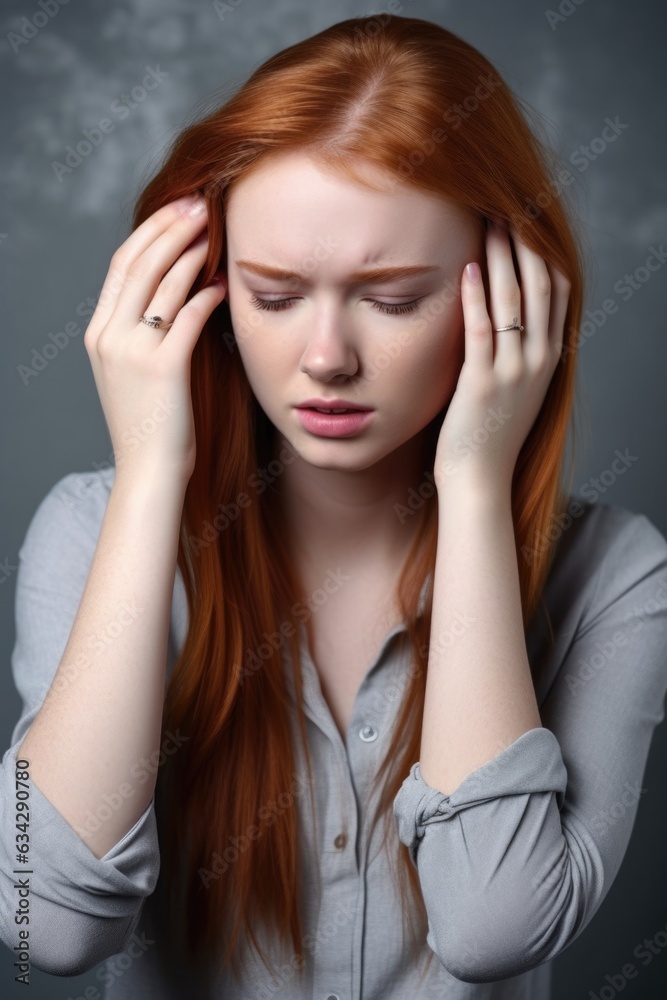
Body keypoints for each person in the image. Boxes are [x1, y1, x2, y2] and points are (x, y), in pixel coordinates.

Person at [2, 13, 666, 999]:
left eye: (392, 298)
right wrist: (150, 475)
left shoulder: (616, 575)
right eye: (272, 295)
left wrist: (476, 488)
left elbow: (490, 929)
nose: (324, 357)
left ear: (513, 297)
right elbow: (41, 921)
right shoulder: (86, 529)